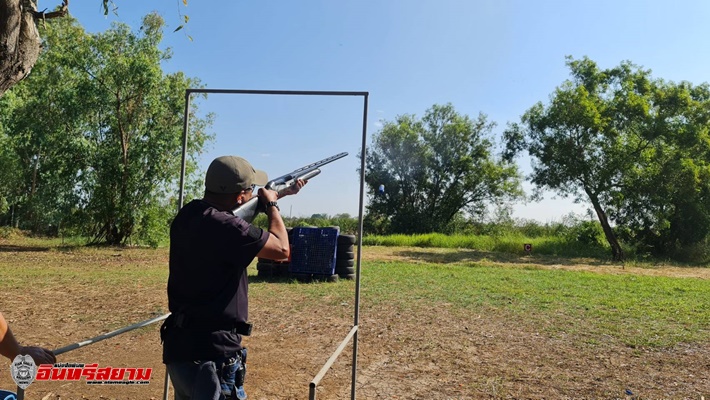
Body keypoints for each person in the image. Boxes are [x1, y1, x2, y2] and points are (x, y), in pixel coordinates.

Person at [161, 155, 306, 400]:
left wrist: (277, 194)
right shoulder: (227, 227)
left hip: (182, 350)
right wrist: (272, 206)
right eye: (251, 190)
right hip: (213, 357)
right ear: (240, 196)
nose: (254, 193)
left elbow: (233, 220)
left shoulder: (188, 215)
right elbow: (282, 250)